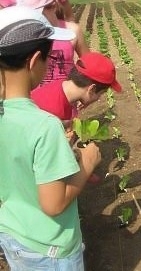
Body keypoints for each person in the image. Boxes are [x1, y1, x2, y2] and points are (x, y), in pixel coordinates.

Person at [0, 6, 101, 270]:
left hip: (13, 234)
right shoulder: (45, 126)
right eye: (48, 57)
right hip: (49, 248)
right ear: (34, 61)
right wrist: (88, 163)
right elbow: (54, 203)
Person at [31, 51, 122, 121]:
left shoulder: (59, 86)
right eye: (101, 94)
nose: (98, 98)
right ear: (92, 89)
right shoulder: (55, 115)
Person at [18, 0, 89, 85]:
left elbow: (88, 63)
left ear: (53, 6)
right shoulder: (23, 33)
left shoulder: (72, 30)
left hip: (65, 95)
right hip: (34, 95)